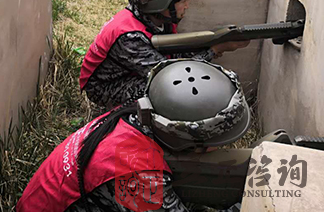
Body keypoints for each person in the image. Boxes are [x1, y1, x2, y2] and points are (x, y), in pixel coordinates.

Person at [17, 58, 251, 212]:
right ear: (187, 140)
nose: (221, 148)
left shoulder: (133, 117)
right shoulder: (139, 176)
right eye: (218, 141)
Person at [80, 0, 250, 109]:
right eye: (182, 1)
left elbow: (175, 55)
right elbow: (172, 77)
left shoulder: (156, 18)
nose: (187, 6)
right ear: (162, 5)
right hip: (105, 88)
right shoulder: (131, 38)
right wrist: (214, 50)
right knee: (168, 92)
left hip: (132, 72)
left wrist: (212, 44)